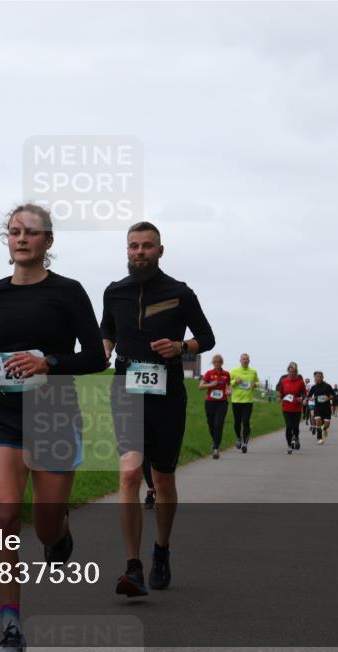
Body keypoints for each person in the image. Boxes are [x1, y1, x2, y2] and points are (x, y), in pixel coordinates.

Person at [0, 204, 107, 652]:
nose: (20, 238)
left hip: (54, 417)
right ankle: (10, 629)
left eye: (30, 232)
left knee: (44, 524)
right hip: (5, 418)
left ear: (48, 241)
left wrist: (51, 363)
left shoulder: (68, 292)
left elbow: (96, 358)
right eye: (13, 232)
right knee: (4, 518)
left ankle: (58, 532)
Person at [101, 221, 214, 597]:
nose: (139, 252)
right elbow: (107, 333)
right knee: (129, 475)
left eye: (147, 246)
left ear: (160, 251)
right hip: (126, 391)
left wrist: (182, 348)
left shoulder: (180, 293)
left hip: (167, 394)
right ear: (127, 250)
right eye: (133, 246)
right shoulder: (114, 292)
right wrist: (101, 352)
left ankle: (161, 549)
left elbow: (207, 338)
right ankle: (132, 567)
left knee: (163, 479)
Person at [199, 354, 231, 459]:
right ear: (213, 363)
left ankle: (216, 448)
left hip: (222, 402)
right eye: (215, 362)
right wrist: (211, 384)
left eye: (219, 362)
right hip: (210, 402)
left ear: (222, 363)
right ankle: (215, 440)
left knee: (219, 424)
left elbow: (228, 386)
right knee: (211, 423)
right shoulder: (209, 374)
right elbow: (200, 386)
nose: (217, 364)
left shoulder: (226, 374)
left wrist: (229, 391)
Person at [230, 353, 260, 453]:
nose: (245, 360)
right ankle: (238, 438)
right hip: (236, 400)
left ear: (249, 361)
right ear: (240, 360)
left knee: (246, 421)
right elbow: (228, 383)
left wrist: (255, 384)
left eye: (247, 359)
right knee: (237, 423)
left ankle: (245, 444)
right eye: (243, 359)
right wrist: (235, 382)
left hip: (248, 401)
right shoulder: (234, 371)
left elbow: (258, 382)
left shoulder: (253, 372)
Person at [276, 362, 307, 454]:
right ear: (288, 372)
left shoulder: (300, 382)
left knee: (295, 427)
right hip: (286, 407)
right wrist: (279, 398)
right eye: (290, 372)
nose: (292, 373)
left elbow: (304, 394)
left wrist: (303, 399)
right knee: (289, 426)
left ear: (296, 372)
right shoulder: (284, 381)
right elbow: (281, 392)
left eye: (293, 372)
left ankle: (296, 437)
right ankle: (289, 445)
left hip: (297, 407)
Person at [309, 372, 334, 444]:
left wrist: (328, 398)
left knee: (326, 425)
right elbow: (309, 396)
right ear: (315, 378)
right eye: (317, 377)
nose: (318, 378)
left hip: (326, 407)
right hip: (318, 407)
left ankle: (324, 429)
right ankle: (319, 437)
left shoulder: (328, 386)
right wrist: (311, 398)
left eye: (320, 376)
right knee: (318, 421)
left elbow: (333, 396)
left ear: (323, 377)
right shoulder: (314, 387)